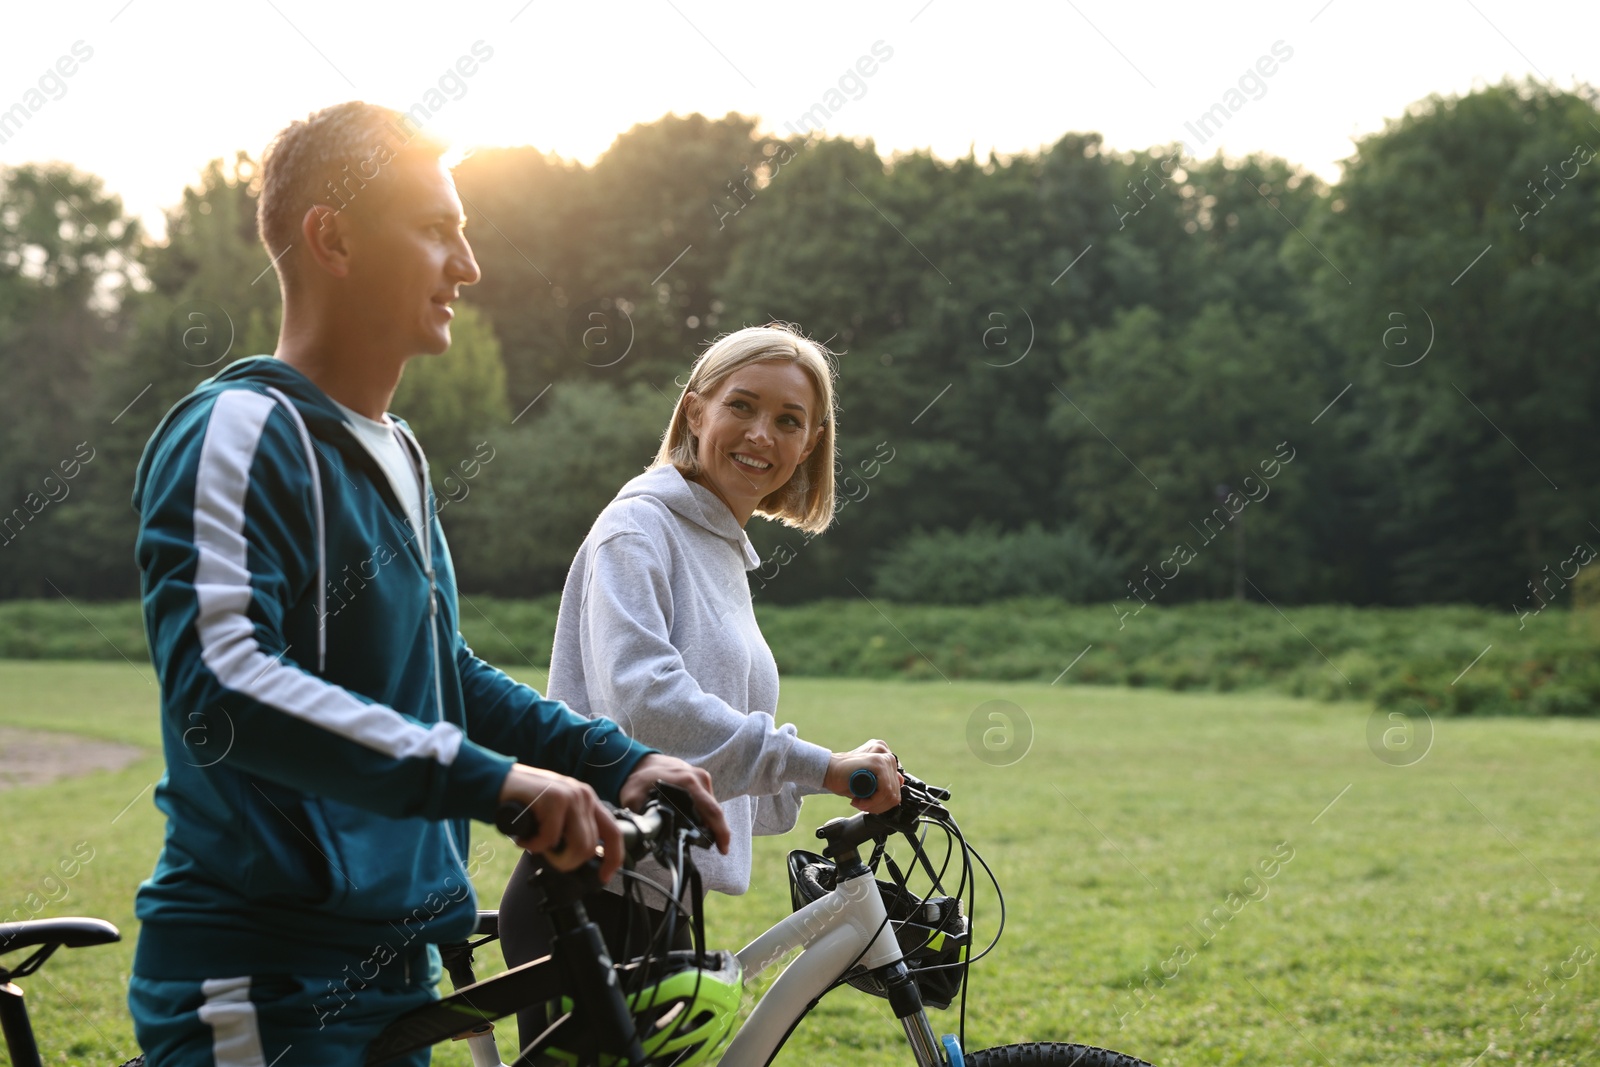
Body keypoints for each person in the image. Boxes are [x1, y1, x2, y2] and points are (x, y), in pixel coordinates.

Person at [126, 101, 728, 1066]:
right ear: (334, 237)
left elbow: (438, 671)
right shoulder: (238, 432)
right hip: (266, 979)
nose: (469, 266)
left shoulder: (401, 453)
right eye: (437, 230)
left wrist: (612, 759)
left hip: (396, 966)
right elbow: (224, 687)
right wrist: (493, 784)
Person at [498, 324, 902, 1045]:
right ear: (694, 412)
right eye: (741, 405)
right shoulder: (638, 528)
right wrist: (819, 764)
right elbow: (648, 707)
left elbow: (709, 752)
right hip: (589, 891)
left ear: (809, 444)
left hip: (660, 890)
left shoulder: (719, 549)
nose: (761, 434)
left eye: (788, 420)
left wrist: (832, 774)